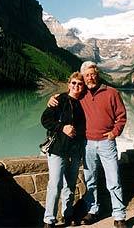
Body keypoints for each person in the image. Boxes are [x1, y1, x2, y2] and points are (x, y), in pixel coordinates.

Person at [48, 61, 127, 228]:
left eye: (93, 74)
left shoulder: (111, 92)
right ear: (83, 77)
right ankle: (93, 210)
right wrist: (52, 99)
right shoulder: (81, 94)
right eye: (87, 75)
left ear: (97, 74)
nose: (91, 77)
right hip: (87, 144)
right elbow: (69, 96)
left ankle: (119, 216)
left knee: (114, 179)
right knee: (90, 180)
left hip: (107, 143)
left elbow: (121, 116)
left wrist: (115, 132)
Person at [41, 72, 86, 228]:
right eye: (73, 83)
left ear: (83, 87)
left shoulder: (84, 102)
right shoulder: (59, 100)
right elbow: (45, 120)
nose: (76, 86)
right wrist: (62, 127)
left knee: (70, 185)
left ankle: (68, 215)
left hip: (75, 151)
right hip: (58, 150)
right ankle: (49, 220)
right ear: (69, 84)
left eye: (80, 84)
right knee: (55, 185)